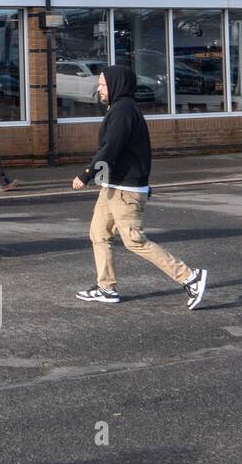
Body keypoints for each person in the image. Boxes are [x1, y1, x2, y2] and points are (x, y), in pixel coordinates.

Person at [73, 65, 208, 309]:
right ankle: (106, 287)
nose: (99, 89)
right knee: (99, 233)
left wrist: (87, 174)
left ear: (116, 85)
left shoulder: (123, 110)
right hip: (112, 185)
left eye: (103, 84)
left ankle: (190, 277)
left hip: (125, 190)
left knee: (134, 241)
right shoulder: (119, 108)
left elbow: (110, 147)